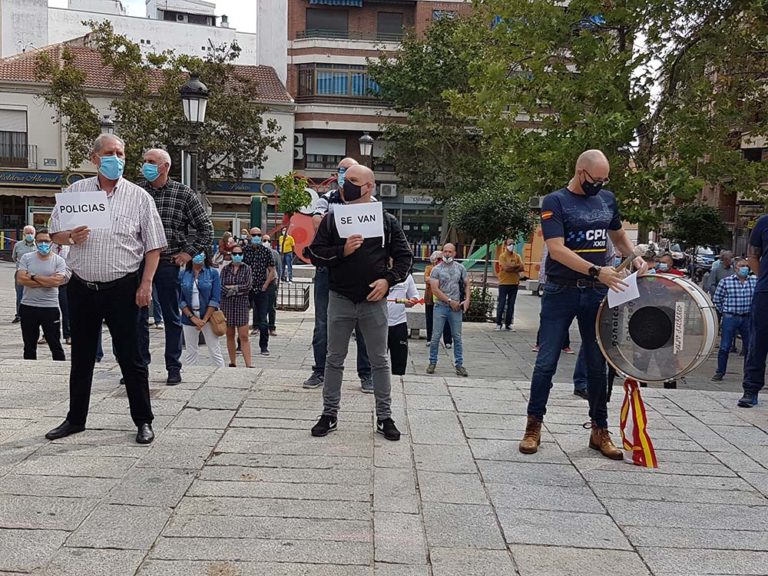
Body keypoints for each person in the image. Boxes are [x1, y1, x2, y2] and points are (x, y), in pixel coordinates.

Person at [518, 149, 645, 460]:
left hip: (597, 293)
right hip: (562, 290)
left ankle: (599, 429)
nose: (599, 185)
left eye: (605, 180)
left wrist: (635, 256)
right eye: (595, 179)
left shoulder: (607, 200)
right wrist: (595, 270)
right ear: (580, 172)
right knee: (546, 361)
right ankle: (533, 426)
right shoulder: (555, 202)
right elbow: (557, 250)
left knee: (597, 364)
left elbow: (618, 237)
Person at [45, 133, 167, 445]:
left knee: (132, 357)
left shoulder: (139, 197)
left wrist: (146, 284)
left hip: (123, 288)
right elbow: (54, 234)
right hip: (83, 287)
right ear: (95, 158)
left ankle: (143, 421)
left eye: (121, 153)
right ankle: (75, 419)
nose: (117, 159)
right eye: (110, 153)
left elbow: (154, 247)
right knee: (82, 357)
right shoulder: (76, 192)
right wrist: (70, 236)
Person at [306, 164, 413, 440]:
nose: (346, 184)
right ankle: (329, 414)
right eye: (345, 179)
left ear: (369, 187)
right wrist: (342, 250)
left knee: (379, 360)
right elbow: (315, 254)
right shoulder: (332, 218)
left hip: (373, 302)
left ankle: (385, 417)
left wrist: (388, 281)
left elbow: (405, 257)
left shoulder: (386, 221)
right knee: (334, 359)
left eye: (353, 180)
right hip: (340, 298)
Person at [138, 148, 214, 385]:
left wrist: (188, 254)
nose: (146, 166)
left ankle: (173, 366)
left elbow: (206, 228)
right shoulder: (137, 192)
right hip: (137, 263)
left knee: (171, 317)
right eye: (145, 162)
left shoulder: (183, 194)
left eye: (151, 162)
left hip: (168, 262)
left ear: (165, 166)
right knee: (137, 317)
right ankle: (138, 366)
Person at [302, 157, 373, 392]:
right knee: (322, 322)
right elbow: (316, 222)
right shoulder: (327, 199)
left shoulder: (371, 202)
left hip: (360, 271)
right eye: (342, 171)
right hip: (329, 268)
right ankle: (319, 371)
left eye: (350, 173)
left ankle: (366, 374)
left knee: (363, 325)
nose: (345, 176)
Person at [16, 229, 68, 361]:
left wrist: (33, 276)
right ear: (36, 241)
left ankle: (59, 371)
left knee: (55, 344)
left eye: (46, 241)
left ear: (52, 243)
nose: (43, 244)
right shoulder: (27, 258)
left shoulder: (59, 261)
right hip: (28, 306)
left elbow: (57, 282)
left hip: (50, 307)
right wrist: (47, 281)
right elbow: (21, 279)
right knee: (29, 345)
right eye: (40, 241)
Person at [427, 243, 471, 377]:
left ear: (454, 253)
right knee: (435, 337)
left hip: (456, 308)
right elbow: (435, 289)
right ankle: (432, 362)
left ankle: (459, 365)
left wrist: (467, 299)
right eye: (445, 251)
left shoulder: (461, 268)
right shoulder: (436, 269)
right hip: (441, 306)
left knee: (457, 337)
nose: (447, 254)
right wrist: (449, 301)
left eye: (450, 252)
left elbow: (467, 284)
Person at [179, 251, 225, 368]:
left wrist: (204, 319)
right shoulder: (183, 274)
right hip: (189, 316)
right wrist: (192, 317)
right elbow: (180, 299)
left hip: (209, 316)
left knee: (214, 350)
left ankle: (222, 375)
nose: (197, 257)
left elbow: (215, 298)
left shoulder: (213, 273)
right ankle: (192, 375)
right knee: (191, 351)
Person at [741, 216, 768, 407]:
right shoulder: (764, 222)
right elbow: (753, 257)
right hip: (766, 290)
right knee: (758, 340)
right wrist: (763, 278)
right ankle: (751, 389)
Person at [712, 258, 754, 382]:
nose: (745, 268)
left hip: (747, 317)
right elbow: (717, 299)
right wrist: (725, 312)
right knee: (725, 346)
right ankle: (720, 372)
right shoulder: (726, 282)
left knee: (749, 347)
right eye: (742, 266)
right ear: (735, 268)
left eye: (746, 266)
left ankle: (748, 373)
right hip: (731, 317)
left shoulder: (753, 282)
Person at [243, 227, 276, 355]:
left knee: (263, 318)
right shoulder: (245, 251)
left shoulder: (266, 252)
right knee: (243, 318)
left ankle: (264, 346)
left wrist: (266, 284)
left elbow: (272, 269)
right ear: (250, 236)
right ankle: (241, 344)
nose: (256, 237)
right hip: (247, 289)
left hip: (261, 288)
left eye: (258, 234)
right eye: (254, 235)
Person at [221, 246, 253, 368]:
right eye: (235, 253)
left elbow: (247, 286)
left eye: (240, 253)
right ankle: (233, 361)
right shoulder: (225, 269)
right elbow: (222, 287)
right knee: (229, 334)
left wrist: (232, 288)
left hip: (241, 304)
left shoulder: (247, 269)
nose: (237, 256)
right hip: (227, 305)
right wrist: (236, 288)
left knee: (243, 335)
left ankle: (248, 364)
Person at [387, 271, 420, 375]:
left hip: (399, 323)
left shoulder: (406, 276)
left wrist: (412, 301)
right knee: (377, 358)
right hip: (379, 323)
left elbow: (414, 295)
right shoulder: (377, 271)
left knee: (400, 358)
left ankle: (399, 379)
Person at [424, 250, 452, 347]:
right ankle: (429, 339)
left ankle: (448, 341)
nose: (441, 261)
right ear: (434, 260)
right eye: (439, 259)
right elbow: (426, 279)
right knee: (430, 319)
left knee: (446, 319)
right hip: (430, 298)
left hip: (443, 298)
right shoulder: (429, 268)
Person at [496, 238, 524, 331]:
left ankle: (508, 324)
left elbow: (522, 267)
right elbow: (505, 268)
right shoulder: (502, 256)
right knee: (502, 303)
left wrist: (512, 267)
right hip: (504, 283)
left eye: (513, 243)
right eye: (509, 244)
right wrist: (516, 267)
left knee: (511, 304)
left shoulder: (517, 256)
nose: (511, 245)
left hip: (514, 283)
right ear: (505, 245)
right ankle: (498, 323)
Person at [12, 225, 38, 323]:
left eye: (31, 233)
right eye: (27, 233)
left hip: (34, 274)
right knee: (20, 295)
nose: (29, 235)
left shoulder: (38, 245)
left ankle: (33, 315)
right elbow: (14, 257)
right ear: (23, 234)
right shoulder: (18, 245)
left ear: (35, 234)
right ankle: (19, 315)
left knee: (35, 294)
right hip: (20, 274)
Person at [262, 233, 281, 336]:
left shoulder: (275, 254)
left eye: (268, 241)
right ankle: (259, 326)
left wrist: (278, 283)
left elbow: (278, 269)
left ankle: (272, 327)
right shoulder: (257, 253)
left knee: (271, 307)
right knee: (259, 307)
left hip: (272, 283)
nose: (266, 243)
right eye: (264, 240)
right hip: (260, 282)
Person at [53, 242, 71, 345]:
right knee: (50, 310)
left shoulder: (69, 248)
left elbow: (71, 266)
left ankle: (68, 335)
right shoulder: (50, 247)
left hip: (65, 282)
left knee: (66, 309)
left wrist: (62, 278)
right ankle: (47, 335)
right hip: (50, 283)